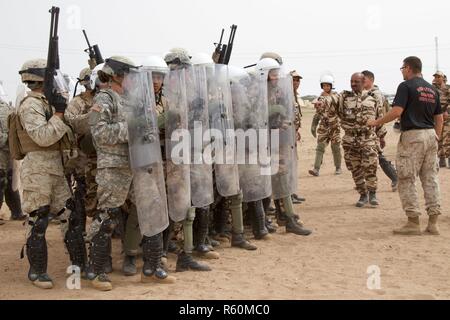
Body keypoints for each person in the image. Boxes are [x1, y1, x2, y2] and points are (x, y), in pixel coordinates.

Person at [87, 56, 176, 291]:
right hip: (114, 168)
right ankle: (96, 271)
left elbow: (146, 128)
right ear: (117, 75)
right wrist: (133, 128)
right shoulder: (104, 99)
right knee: (107, 217)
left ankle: (152, 269)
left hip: (139, 163)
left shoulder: (133, 100)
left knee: (153, 211)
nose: (132, 81)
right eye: (128, 76)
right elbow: (100, 134)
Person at [16, 59, 86, 289]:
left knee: (71, 216)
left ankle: (80, 266)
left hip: (56, 169)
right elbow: (43, 137)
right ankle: (37, 272)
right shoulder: (30, 105)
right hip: (37, 170)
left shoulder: (50, 102)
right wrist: (58, 114)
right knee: (39, 219)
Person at [368, 56, 443, 235]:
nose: (402, 71)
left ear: (408, 68)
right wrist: (437, 138)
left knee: (407, 179)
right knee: (430, 178)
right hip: (431, 135)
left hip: (412, 136)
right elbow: (439, 117)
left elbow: (396, 111)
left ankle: (413, 222)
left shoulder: (406, 86)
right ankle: (433, 223)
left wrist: (376, 122)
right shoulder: (432, 89)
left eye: (402, 68)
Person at [337, 73, 384, 208]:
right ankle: (363, 195)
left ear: (364, 82)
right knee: (355, 169)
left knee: (370, 167)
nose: (353, 84)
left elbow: (379, 118)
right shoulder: (344, 98)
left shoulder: (372, 99)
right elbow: (334, 104)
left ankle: (372, 193)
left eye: (356, 81)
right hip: (350, 140)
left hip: (368, 139)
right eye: (351, 81)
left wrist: (381, 136)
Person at [362, 70, 398, 191]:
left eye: (364, 80)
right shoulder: (364, 93)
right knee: (366, 156)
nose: (361, 82)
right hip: (366, 131)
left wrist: (381, 135)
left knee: (378, 156)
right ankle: (363, 182)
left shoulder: (376, 95)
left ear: (371, 80)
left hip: (374, 131)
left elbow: (380, 115)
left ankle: (395, 178)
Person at [309, 73, 342, 176]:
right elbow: (318, 114)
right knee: (320, 147)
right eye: (324, 85)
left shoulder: (336, 96)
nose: (325, 87)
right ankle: (316, 169)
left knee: (335, 147)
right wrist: (313, 126)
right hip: (324, 127)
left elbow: (335, 103)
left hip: (334, 126)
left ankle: (338, 167)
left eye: (328, 85)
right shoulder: (319, 98)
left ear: (331, 86)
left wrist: (322, 101)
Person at [0, 97, 25, 221]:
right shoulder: (8, 108)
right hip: (3, 154)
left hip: (8, 154)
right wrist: (8, 137)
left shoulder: (8, 108)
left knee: (10, 182)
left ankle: (16, 212)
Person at [432, 71, 450, 168]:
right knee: (438, 138)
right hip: (436, 117)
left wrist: (447, 111)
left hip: (446, 117)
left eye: (439, 76)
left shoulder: (448, 88)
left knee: (447, 138)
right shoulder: (432, 89)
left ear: (443, 78)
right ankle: (441, 160)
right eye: (436, 77)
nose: (437, 78)